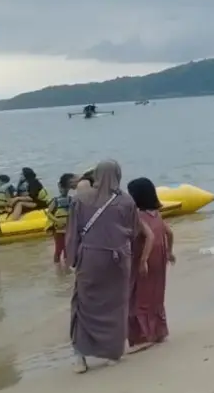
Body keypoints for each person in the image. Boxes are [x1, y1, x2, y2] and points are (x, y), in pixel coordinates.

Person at [67, 159, 149, 372]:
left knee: (83, 305)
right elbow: (133, 231)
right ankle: (113, 353)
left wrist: (72, 260)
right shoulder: (126, 201)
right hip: (118, 260)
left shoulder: (81, 199)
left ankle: (80, 357)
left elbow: (73, 232)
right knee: (115, 306)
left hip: (90, 258)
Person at [126, 177, 172, 352]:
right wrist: (170, 252)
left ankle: (143, 336)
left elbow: (150, 238)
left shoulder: (138, 216)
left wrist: (143, 260)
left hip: (144, 260)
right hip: (160, 259)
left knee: (138, 296)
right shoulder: (156, 214)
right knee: (156, 293)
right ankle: (159, 332)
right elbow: (169, 232)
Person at [46, 173, 75, 266]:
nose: (64, 190)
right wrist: (56, 220)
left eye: (66, 188)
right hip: (58, 229)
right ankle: (57, 266)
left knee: (67, 249)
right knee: (59, 249)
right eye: (62, 188)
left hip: (68, 229)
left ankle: (67, 268)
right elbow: (49, 213)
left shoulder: (71, 200)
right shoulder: (56, 201)